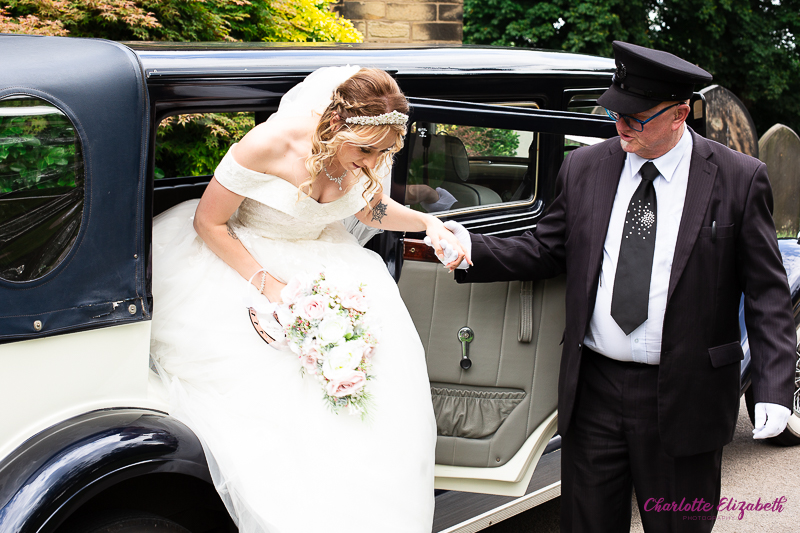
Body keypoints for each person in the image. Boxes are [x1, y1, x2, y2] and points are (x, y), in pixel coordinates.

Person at [444, 41, 795, 532]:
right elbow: (548, 248)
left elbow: (767, 293)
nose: (621, 125)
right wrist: (471, 248)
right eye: (616, 111)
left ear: (680, 114)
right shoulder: (587, 167)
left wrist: (775, 389)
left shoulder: (738, 178)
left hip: (687, 395)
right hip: (595, 391)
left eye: (637, 117)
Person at [149, 66, 468, 533]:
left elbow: (370, 209)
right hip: (241, 262)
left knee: (369, 401)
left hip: (328, 263)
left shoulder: (366, 152)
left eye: (382, 153)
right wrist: (268, 285)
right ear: (336, 123)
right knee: (270, 409)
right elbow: (208, 223)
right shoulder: (268, 144)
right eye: (365, 151)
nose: (371, 163)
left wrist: (428, 224)